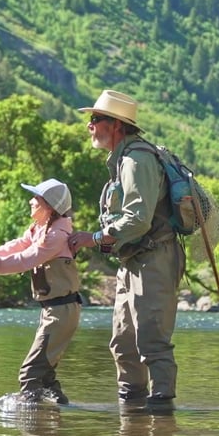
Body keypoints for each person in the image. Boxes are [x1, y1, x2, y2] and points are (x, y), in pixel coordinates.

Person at [68, 90, 185, 411]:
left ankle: (161, 420)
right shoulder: (123, 160)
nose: (89, 126)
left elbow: (137, 219)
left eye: (95, 119)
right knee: (123, 344)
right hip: (131, 261)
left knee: (152, 343)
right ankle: (132, 423)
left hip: (154, 259)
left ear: (116, 125)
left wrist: (93, 237)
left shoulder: (137, 161)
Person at [0, 178, 81, 405]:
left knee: (30, 373)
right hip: (54, 311)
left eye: (36, 198)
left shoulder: (55, 237)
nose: (31, 201)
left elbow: (22, 260)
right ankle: (55, 421)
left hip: (61, 312)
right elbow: (11, 248)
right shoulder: (40, 229)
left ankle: (31, 428)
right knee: (45, 375)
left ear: (49, 207)